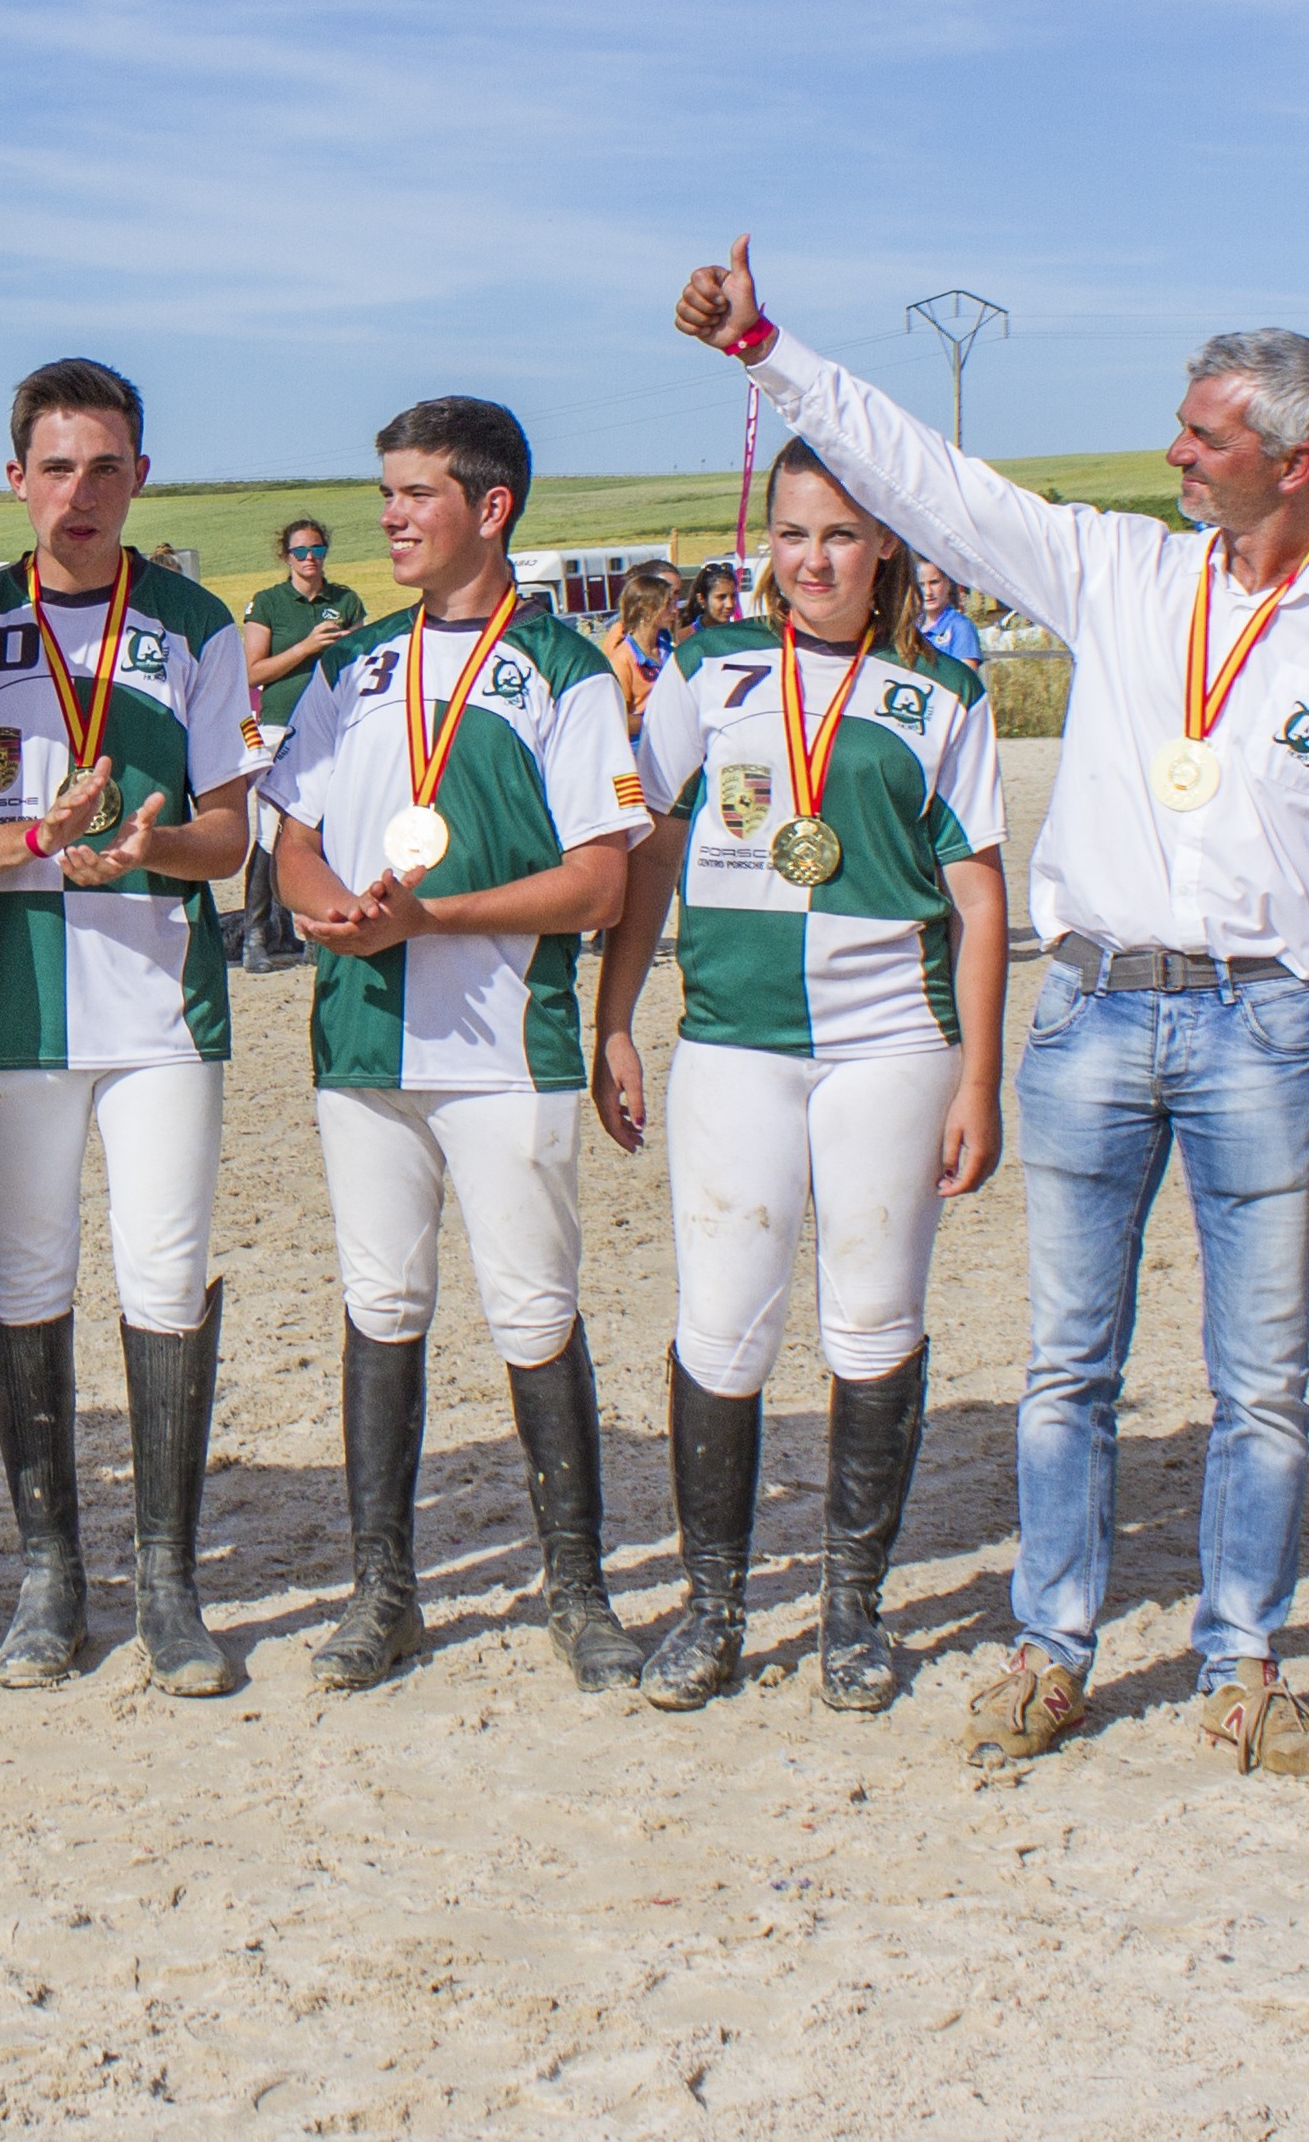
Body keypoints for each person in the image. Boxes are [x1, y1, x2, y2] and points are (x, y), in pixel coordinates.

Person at [675, 237, 1309, 1785]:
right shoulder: (1120, 570)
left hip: (1264, 1031)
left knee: (1260, 1381)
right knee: (1065, 1367)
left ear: (1292, 463)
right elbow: (928, 483)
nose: (1170, 451)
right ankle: (1049, 1650)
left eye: (1201, 434)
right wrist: (768, 350)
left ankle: (1240, 1666)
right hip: (1092, 1013)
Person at [592, 441, 1007, 1715]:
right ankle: (711, 1607)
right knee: (723, 1321)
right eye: (789, 534)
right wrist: (615, 1016)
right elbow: (647, 849)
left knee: (871, 1319)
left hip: (893, 1045)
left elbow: (978, 898)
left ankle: (852, 1607)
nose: (812, 559)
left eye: (837, 534)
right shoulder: (706, 670)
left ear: (884, 544)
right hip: (733, 1038)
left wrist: (979, 1081)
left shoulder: (941, 692)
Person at [260, 396, 649, 1696]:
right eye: (383, 491)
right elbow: (292, 833)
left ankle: (577, 1592)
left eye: (414, 492)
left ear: (489, 507)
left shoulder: (566, 670)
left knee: (533, 1310)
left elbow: (599, 881)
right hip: (363, 1037)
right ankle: (382, 1592)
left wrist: (430, 919)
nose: (387, 516)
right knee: (381, 1307)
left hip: (503, 1045)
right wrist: (327, 904)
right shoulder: (352, 664)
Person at [0, 358, 260, 1697]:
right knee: (28, 1278)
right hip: (8, 994)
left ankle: (168, 1583)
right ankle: (46, 1572)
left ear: (140, 476)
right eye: (55, 466)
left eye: (106, 466)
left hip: (158, 1002)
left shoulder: (195, 623)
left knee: (162, 1278)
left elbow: (230, 838)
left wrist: (148, 845)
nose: (80, 492)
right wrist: (26, 839)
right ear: (15, 476)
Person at [234, 517, 366, 971]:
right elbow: (252, 672)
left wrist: (348, 647)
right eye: (301, 552)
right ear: (286, 556)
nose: (310, 559)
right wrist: (306, 647)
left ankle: (313, 929)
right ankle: (256, 935)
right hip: (281, 727)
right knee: (271, 830)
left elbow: (362, 664)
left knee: (325, 827)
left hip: (333, 728)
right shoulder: (269, 602)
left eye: (317, 550)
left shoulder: (345, 601)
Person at [598, 561, 678, 722]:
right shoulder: (622, 660)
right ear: (646, 609)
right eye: (667, 604)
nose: (675, 610)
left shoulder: (668, 651)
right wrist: (655, 724)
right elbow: (617, 719)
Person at [911, 560, 989, 670]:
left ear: (947, 583)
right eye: (921, 585)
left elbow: (966, 676)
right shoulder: (911, 627)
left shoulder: (960, 626)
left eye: (934, 582)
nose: (928, 592)